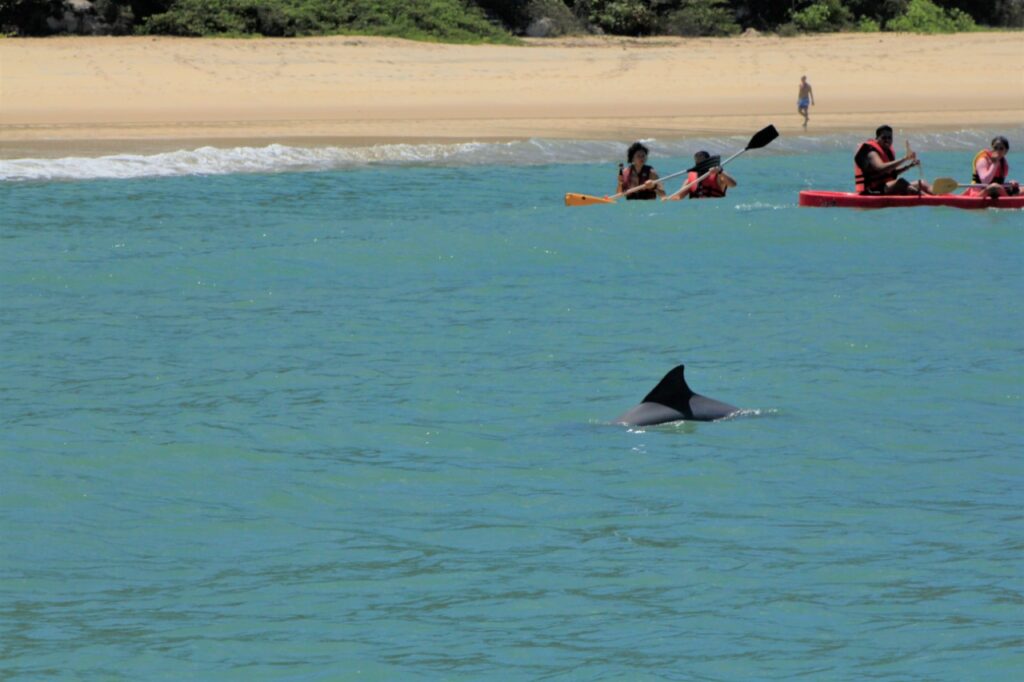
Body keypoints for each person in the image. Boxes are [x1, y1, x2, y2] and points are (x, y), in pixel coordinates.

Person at [854, 125, 932, 195]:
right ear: (877, 138)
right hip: (871, 190)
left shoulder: (887, 151)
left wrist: (909, 166)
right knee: (901, 182)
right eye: (884, 137)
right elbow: (881, 168)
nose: (887, 140)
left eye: (889, 138)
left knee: (922, 183)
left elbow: (891, 173)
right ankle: (928, 199)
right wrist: (904, 158)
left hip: (886, 187)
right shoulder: (871, 152)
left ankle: (939, 195)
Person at [665, 151, 737, 201]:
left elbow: (733, 184)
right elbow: (678, 197)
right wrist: (667, 199)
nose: (701, 166)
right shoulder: (690, 181)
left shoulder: (719, 176)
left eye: (703, 163)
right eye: (698, 164)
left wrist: (720, 172)